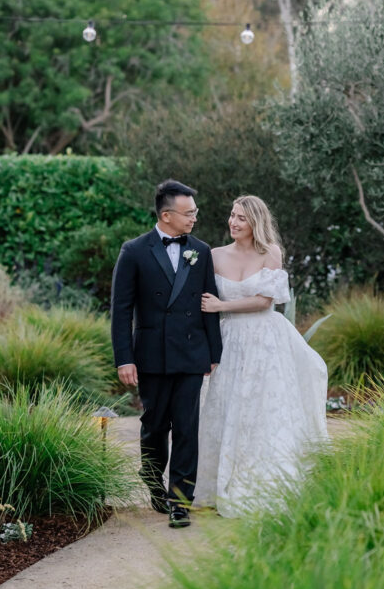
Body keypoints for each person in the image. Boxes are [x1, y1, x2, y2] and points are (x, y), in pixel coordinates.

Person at [196, 195, 328, 517]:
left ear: (255, 222)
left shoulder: (271, 253)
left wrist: (221, 306)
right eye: (231, 215)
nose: (233, 222)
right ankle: (218, 480)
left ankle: (265, 480)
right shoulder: (213, 255)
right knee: (227, 406)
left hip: (264, 340)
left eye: (240, 217)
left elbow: (264, 301)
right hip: (229, 340)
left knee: (263, 407)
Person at [110, 179, 222, 528]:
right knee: (155, 424)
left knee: (187, 426)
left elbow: (208, 303)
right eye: (188, 213)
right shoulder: (134, 251)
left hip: (191, 352)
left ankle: (180, 502)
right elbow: (121, 310)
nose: (194, 219)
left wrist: (214, 352)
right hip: (151, 355)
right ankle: (152, 477)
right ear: (166, 215)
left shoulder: (201, 251)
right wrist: (124, 358)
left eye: (195, 212)